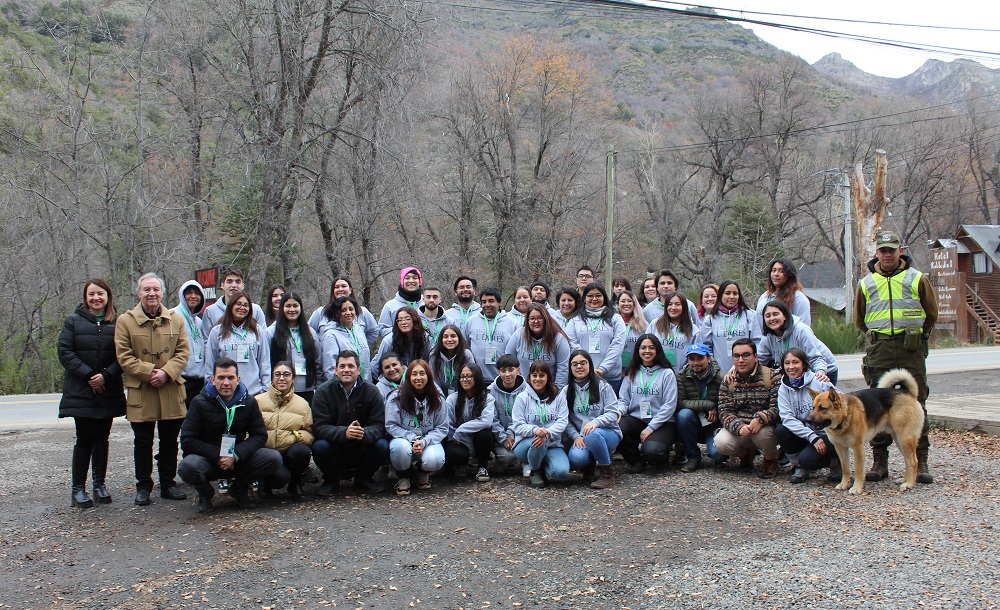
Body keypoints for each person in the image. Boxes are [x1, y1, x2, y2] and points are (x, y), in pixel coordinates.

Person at [854, 229, 937, 484]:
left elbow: (931, 313)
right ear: (877, 252)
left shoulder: (917, 278)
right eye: (883, 250)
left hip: (910, 348)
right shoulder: (866, 283)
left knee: (916, 402)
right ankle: (880, 462)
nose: (887, 254)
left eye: (892, 249)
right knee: (877, 405)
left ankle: (920, 462)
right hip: (880, 350)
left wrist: (917, 336)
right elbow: (860, 319)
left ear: (900, 250)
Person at [115, 273, 190, 506]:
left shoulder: (175, 320)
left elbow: (183, 352)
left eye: (156, 289)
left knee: (170, 441)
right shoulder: (125, 321)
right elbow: (124, 357)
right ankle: (143, 486)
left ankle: (167, 483)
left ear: (162, 293)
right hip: (142, 389)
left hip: (170, 387)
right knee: (143, 441)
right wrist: (150, 373)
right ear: (139, 293)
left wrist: (167, 372)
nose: (151, 294)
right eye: (146, 289)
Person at [178, 357, 283, 513]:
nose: (226, 383)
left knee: (273, 458)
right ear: (212, 380)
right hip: (209, 460)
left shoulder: (248, 402)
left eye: (230, 378)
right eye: (221, 378)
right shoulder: (199, 403)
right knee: (187, 467)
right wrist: (218, 456)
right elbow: (187, 440)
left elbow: (259, 436)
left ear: (238, 379)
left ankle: (239, 488)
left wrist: (235, 455)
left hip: (237, 459)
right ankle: (205, 493)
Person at [58, 278, 127, 508]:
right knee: (85, 438)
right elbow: (65, 352)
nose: (96, 298)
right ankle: (78, 489)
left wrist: (106, 376)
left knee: (102, 438)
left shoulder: (117, 324)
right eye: (91, 294)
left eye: (100, 294)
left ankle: (99, 484)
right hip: (82, 390)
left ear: (108, 297)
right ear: (85, 298)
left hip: (108, 390)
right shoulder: (73, 322)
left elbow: (124, 356)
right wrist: (89, 376)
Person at [310, 350, 389, 494]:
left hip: (362, 445)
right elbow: (319, 427)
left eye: (351, 366)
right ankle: (331, 480)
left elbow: (379, 425)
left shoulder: (372, 391)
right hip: (335, 445)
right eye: (342, 366)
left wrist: (362, 433)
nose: (346, 370)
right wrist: (344, 432)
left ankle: (364, 479)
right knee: (319, 446)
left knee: (382, 445)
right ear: (335, 370)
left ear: (359, 370)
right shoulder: (322, 392)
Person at [714, 338, 781, 478]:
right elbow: (724, 411)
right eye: (736, 356)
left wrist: (761, 419)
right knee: (721, 443)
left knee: (764, 434)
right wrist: (738, 426)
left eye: (746, 355)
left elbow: (778, 408)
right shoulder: (728, 381)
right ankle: (745, 455)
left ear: (755, 357)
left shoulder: (772, 376)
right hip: (741, 428)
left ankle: (771, 460)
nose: (741, 360)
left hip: (763, 428)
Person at [775, 348, 840, 484]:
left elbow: (842, 401)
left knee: (807, 459)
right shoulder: (783, 388)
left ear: (803, 364)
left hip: (826, 434)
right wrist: (811, 437)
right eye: (787, 363)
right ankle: (798, 467)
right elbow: (787, 418)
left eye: (795, 362)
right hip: (807, 434)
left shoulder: (818, 381)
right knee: (781, 430)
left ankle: (835, 461)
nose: (791, 367)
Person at [615, 334, 678, 473]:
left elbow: (669, 405)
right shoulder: (631, 372)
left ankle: (660, 455)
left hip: (662, 423)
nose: (647, 351)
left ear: (657, 350)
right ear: (638, 350)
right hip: (638, 419)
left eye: (651, 347)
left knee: (652, 452)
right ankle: (636, 461)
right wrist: (618, 413)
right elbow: (623, 400)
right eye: (643, 348)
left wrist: (651, 428)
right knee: (616, 428)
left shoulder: (666, 373)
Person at [385, 360, 448, 495]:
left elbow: (442, 428)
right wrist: (412, 438)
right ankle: (403, 476)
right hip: (404, 439)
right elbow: (391, 425)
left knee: (435, 459)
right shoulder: (396, 397)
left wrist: (424, 441)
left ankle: (422, 472)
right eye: (414, 374)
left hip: (427, 440)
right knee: (399, 448)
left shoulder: (438, 398)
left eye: (422, 373)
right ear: (408, 377)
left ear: (429, 377)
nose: (418, 378)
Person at [254, 362, 314, 500]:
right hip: (265, 453)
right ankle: (264, 484)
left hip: (288, 450)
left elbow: (310, 433)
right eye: (278, 374)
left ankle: (295, 484)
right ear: (272, 377)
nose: (282, 378)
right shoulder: (257, 401)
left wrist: (297, 436)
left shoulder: (302, 404)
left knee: (302, 451)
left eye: (286, 375)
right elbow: (247, 430)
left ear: (293, 378)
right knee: (279, 478)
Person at [563, 350, 621, 489]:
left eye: (583, 363)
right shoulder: (566, 391)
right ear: (570, 368)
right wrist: (575, 436)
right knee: (577, 458)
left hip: (607, 434)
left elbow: (613, 413)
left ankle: (606, 473)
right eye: (575, 364)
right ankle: (589, 465)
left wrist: (596, 422)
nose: (579, 367)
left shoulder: (603, 387)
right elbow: (565, 420)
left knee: (592, 433)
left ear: (590, 365)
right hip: (582, 436)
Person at [511, 361, 570, 488]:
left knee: (562, 472)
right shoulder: (522, 397)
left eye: (542, 375)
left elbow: (563, 421)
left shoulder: (559, 396)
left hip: (552, 443)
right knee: (538, 441)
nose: (537, 379)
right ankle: (535, 470)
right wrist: (535, 431)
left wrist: (547, 433)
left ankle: (540, 463)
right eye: (534, 375)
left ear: (548, 377)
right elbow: (518, 425)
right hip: (526, 444)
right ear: (529, 377)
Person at [205, 291, 271, 396]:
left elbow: (264, 361)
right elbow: (210, 363)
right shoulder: (217, 332)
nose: (242, 307)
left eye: (246, 305)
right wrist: (212, 388)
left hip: (254, 392)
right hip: (225, 392)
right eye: (238, 304)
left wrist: (265, 389)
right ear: (231, 306)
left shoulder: (257, 331)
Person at [565, 283, 627, 393]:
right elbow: (572, 344)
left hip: (610, 377)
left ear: (604, 297)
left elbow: (618, 345)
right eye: (590, 296)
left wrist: (603, 369)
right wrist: (586, 368)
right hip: (583, 376)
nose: (594, 298)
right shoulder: (575, 320)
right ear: (584, 298)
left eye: (598, 295)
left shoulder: (615, 318)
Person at [758, 300, 838, 384]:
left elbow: (816, 358)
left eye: (775, 314)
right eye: (767, 316)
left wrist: (820, 372)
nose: (772, 318)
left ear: (785, 315)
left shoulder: (801, 330)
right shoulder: (768, 337)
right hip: (796, 372)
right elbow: (760, 359)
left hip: (823, 370)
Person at [674, 343, 724, 472]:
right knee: (683, 414)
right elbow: (681, 403)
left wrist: (715, 408)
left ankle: (715, 449)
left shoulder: (720, 377)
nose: (696, 362)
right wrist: (709, 405)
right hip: (693, 422)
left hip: (713, 424)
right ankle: (693, 457)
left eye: (700, 358)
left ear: (708, 358)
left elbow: (726, 403)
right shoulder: (682, 376)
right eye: (692, 359)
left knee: (717, 455)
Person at [443, 363, 496, 482]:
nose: (465, 380)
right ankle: (460, 465)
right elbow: (449, 426)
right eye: (462, 377)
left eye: (469, 376)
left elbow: (486, 422)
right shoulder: (452, 399)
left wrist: (461, 429)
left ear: (477, 378)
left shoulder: (487, 398)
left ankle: (482, 467)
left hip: (477, 439)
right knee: (456, 454)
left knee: (485, 434)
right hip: (458, 440)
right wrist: (461, 438)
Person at [268, 292, 322, 403]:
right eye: (288, 306)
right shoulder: (271, 332)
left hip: (307, 389)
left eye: (295, 306)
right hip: (281, 390)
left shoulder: (310, 333)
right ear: (282, 308)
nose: (292, 309)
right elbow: (266, 362)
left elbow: (318, 362)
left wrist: (318, 387)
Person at [699, 280, 761, 374]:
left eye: (735, 293)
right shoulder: (710, 319)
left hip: (747, 371)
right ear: (720, 295)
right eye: (727, 293)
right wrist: (715, 370)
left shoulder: (749, 315)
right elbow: (707, 347)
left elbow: (757, 343)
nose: (731, 297)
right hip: (719, 373)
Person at [504, 303, 571, 388]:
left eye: (540, 318)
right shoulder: (519, 335)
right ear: (527, 320)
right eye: (532, 318)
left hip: (549, 390)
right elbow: (508, 360)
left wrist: (557, 393)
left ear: (546, 319)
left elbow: (563, 369)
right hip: (523, 389)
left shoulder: (558, 338)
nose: (536, 321)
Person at [464, 287, 519, 381]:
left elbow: (516, 353)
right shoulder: (471, 321)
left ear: (499, 302)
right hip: (477, 379)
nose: (487, 304)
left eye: (491, 301)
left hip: (503, 379)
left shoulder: (512, 323)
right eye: (484, 302)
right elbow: (465, 347)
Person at [308, 276, 379, 347]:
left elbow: (374, 331)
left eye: (343, 286)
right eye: (336, 287)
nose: (340, 289)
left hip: (356, 356)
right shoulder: (321, 312)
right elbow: (308, 331)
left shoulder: (362, 312)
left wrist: (361, 345)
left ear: (350, 289)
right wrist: (319, 348)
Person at [488, 354, 527, 474]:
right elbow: (492, 419)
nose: (507, 374)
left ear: (518, 370)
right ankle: (499, 459)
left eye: (511, 370)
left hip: (521, 434)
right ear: (499, 372)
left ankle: (527, 461)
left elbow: (526, 417)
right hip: (501, 436)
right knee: (508, 457)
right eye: (503, 371)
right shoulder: (491, 391)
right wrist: (504, 438)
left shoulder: (527, 391)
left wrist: (513, 433)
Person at [200, 268, 267, 337]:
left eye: (238, 282)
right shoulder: (210, 311)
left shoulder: (255, 310)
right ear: (222, 285)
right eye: (229, 282)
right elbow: (206, 340)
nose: (234, 285)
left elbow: (263, 337)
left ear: (242, 286)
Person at [321, 295, 372, 383]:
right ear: (336, 313)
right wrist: (339, 388)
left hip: (364, 383)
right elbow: (330, 368)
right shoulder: (331, 335)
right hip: (343, 387)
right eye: (343, 310)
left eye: (351, 309)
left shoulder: (358, 329)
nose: (348, 312)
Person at [370, 306, 429, 379]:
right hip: (393, 381)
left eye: (407, 319)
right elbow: (376, 367)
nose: (403, 322)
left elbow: (428, 362)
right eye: (400, 320)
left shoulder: (424, 338)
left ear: (415, 320)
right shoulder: (389, 341)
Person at [650, 291, 701, 369]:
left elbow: (697, 356)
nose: (673, 308)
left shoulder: (693, 330)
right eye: (670, 304)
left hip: (683, 376)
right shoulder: (655, 325)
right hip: (657, 374)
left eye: (677, 304)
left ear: (684, 307)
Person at [756, 259, 811, 327]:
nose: (776, 274)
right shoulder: (764, 296)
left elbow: (803, 326)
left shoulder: (799, 298)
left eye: (781, 271)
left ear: (789, 275)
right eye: (774, 270)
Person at [428, 324, 475, 397]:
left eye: (453, 336)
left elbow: (472, 379)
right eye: (445, 337)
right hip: (439, 397)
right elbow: (433, 382)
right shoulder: (434, 355)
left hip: (462, 396)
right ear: (441, 340)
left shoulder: (467, 355)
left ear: (459, 338)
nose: (449, 340)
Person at [378, 266, 424, 337]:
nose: (411, 281)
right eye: (407, 278)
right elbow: (382, 330)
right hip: (398, 346)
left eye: (415, 278)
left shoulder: (427, 304)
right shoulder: (390, 306)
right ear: (402, 282)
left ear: (420, 282)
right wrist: (402, 331)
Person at [616, 290, 648, 371]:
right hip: (615, 369)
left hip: (637, 369)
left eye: (629, 301)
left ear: (634, 304)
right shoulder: (611, 323)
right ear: (618, 304)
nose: (626, 304)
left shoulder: (643, 325)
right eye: (623, 301)